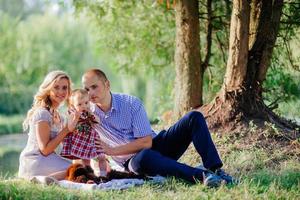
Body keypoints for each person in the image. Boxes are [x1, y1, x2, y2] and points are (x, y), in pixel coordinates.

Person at [82, 69, 235, 187]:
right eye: (87, 89)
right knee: (144, 158)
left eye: (94, 87)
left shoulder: (130, 103)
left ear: (107, 84)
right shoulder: (88, 115)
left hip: (158, 146)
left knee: (194, 117)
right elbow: (72, 128)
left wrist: (111, 150)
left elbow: (146, 143)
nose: (91, 93)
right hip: (135, 161)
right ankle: (203, 176)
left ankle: (215, 169)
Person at [18, 70, 79, 182]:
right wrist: (66, 130)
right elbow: (45, 149)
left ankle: (47, 179)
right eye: (56, 87)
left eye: (65, 88)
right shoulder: (43, 113)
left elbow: (61, 145)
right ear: (48, 89)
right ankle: (40, 179)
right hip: (35, 160)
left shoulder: (58, 115)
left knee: (82, 166)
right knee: (79, 170)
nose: (61, 91)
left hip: (47, 158)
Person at [60, 89, 109, 176]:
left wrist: (91, 114)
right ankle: (89, 175)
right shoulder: (72, 114)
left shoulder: (90, 112)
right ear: (73, 105)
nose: (84, 106)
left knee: (102, 157)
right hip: (80, 140)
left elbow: (98, 121)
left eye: (86, 103)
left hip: (92, 139)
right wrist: (76, 117)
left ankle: (103, 175)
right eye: (80, 104)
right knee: (85, 161)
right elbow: (70, 128)